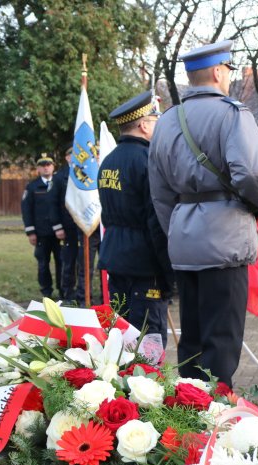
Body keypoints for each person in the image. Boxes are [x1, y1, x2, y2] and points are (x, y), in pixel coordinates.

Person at [148, 40, 258, 387]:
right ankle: (217, 423)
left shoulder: (166, 121)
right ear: (219, 72)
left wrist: (177, 230)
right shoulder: (232, 114)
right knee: (222, 344)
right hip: (226, 240)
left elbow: (159, 193)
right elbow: (253, 174)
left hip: (184, 240)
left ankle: (189, 417)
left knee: (191, 343)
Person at [98, 91, 173, 346]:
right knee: (148, 342)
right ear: (143, 125)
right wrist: (168, 274)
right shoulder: (148, 160)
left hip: (117, 260)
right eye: (154, 120)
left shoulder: (108, 161)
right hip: (145, 264)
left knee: (121, 339)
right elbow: (156, 221)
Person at [21, 153, 67, 298]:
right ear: (38, 169)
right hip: (41, 233)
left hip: (60, 232)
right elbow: (26, 210)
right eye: (43, 166)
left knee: (62, 262)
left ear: (53, 167)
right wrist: (30, 232)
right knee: (43, 263)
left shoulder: (61, 184)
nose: (46, 168)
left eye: (48, 165)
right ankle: (46, 292)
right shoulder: (32, 186)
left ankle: (63, 290)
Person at [53, 146, 78, 302]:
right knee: (68, 261)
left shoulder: (84, 174)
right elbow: (53, 204)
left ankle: (81, 292)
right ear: (67, 158)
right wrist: (58, 227)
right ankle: (67, 292)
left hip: (83, 226)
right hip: (67, 226)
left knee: (83, 262)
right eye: (73, 155)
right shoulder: (59, 177)